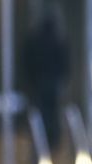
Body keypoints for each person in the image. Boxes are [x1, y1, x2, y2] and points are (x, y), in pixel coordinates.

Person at [22, 10, 69, 152]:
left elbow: (27, 61)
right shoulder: (57, 40)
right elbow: (64, 62)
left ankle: (44, 139)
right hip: (50, 82)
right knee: (50, 113)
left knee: (43, 113)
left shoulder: (36, 40)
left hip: (41, 82)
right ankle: (51, 139)